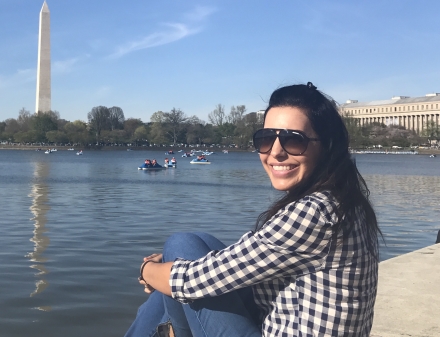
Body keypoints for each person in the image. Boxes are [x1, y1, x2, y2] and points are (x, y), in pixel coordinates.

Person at [125, 82, 380, 337]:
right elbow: (230, 265)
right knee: (198, 245)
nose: (276, 152)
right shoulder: (344, 201)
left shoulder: (316, 212)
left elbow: (190, 282)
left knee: (179, 248)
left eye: (293, 140)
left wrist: (146, 271)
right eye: (267, 139)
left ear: (327, 146)